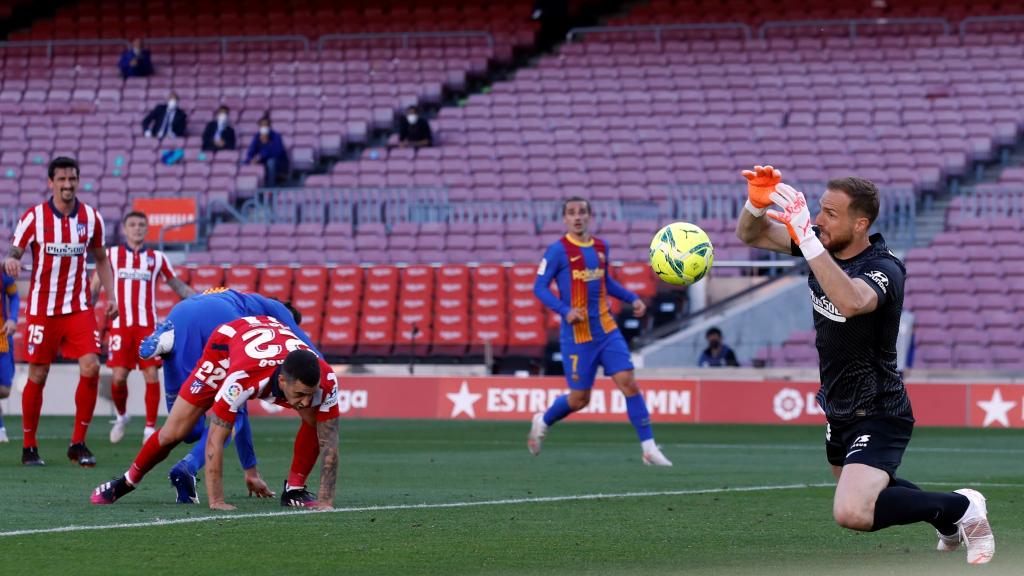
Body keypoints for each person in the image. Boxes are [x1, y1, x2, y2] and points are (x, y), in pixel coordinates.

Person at [734, 166, 994, 565]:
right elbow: (751, 235)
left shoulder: (884, 268)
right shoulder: (822, 244)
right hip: (838, 407)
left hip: (879, 408)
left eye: (830, 214)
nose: (819, 220)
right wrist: (756, 203)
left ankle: (963, 507)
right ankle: (944, 517)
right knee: (870, 490)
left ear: (860, 224)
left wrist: (807, 239)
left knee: (852, 511)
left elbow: (852, 301)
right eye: (819, 210)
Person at [91, 316, 340, 511]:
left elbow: (329, 443)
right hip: (224, 349)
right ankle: (127, 480)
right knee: (175, 432)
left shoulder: (327, 378)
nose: (306, 401)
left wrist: (326, 501)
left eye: (311, 394)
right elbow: (215, 438)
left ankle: (294, 490)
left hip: (268, 340)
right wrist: (217, 500)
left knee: (314, 419)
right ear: (283, 381)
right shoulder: (240, 379)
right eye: (300, 394)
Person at [141, 288, 320, 506]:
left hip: (181, 319)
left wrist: (250, 470)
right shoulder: (277, 314)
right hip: (222, 321)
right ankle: (187, 466)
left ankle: (166, 341)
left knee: (187, 430)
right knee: (233, 413)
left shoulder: (242, 299)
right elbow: (313, 355)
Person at [529, 197, 671, 466]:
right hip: (578, 335)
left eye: (581, 212)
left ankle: (649, 449)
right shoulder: (557, 251)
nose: (577, 217)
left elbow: (606, 281)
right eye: (571, 213)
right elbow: (539, 287)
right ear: (564, 219)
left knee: (628, 382)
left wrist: (632, 298)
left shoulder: (601, 247)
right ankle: (543, 420)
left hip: (606, 329)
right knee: (579, 399)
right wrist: (564, 310)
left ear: (589, 216)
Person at [4, 156, 117, 467]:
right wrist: (12, 260)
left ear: (78, 181)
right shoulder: (34, 217)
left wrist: (111, 296)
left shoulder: (91, 218)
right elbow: (14, 253)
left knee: (91, 367)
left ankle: (78, 444)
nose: (68, 185)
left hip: (79, 308)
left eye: (72, 179)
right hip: (42, 309)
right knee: (38, 374)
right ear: (50, 182)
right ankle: (29, 447)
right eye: (62, 179)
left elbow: (101, 259)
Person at [91, 211, 195, 445]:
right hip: (120, 326)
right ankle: (122, 416)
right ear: (125, 229)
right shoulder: (112, 255)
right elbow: (95, 286)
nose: (137, 228)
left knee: (151, 375)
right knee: (119, 378)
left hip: (147, 327)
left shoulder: (157, 258)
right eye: (132, 224)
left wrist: (202, 298)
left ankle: (149, 428)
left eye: (141, 225)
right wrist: (86, 307)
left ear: (147, 229)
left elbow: (178, 287)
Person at [244, 116, 289, 186]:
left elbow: (277, 152)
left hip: (278, 163)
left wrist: (265, 144)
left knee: (271, 162)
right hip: (263, 162)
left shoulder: (276, 136)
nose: (264, 127)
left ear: (269, 126)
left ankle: (271, 188)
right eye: (262, 125)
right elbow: (251, 152)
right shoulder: (257, 137)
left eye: (266, 125)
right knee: (245, 163)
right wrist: (251, 160)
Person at [0, 270, 18, 443]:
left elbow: (14, 296)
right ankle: (0, 428)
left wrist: (12, 318)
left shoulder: (3, 273)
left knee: (5, 390)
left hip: (2, 336)